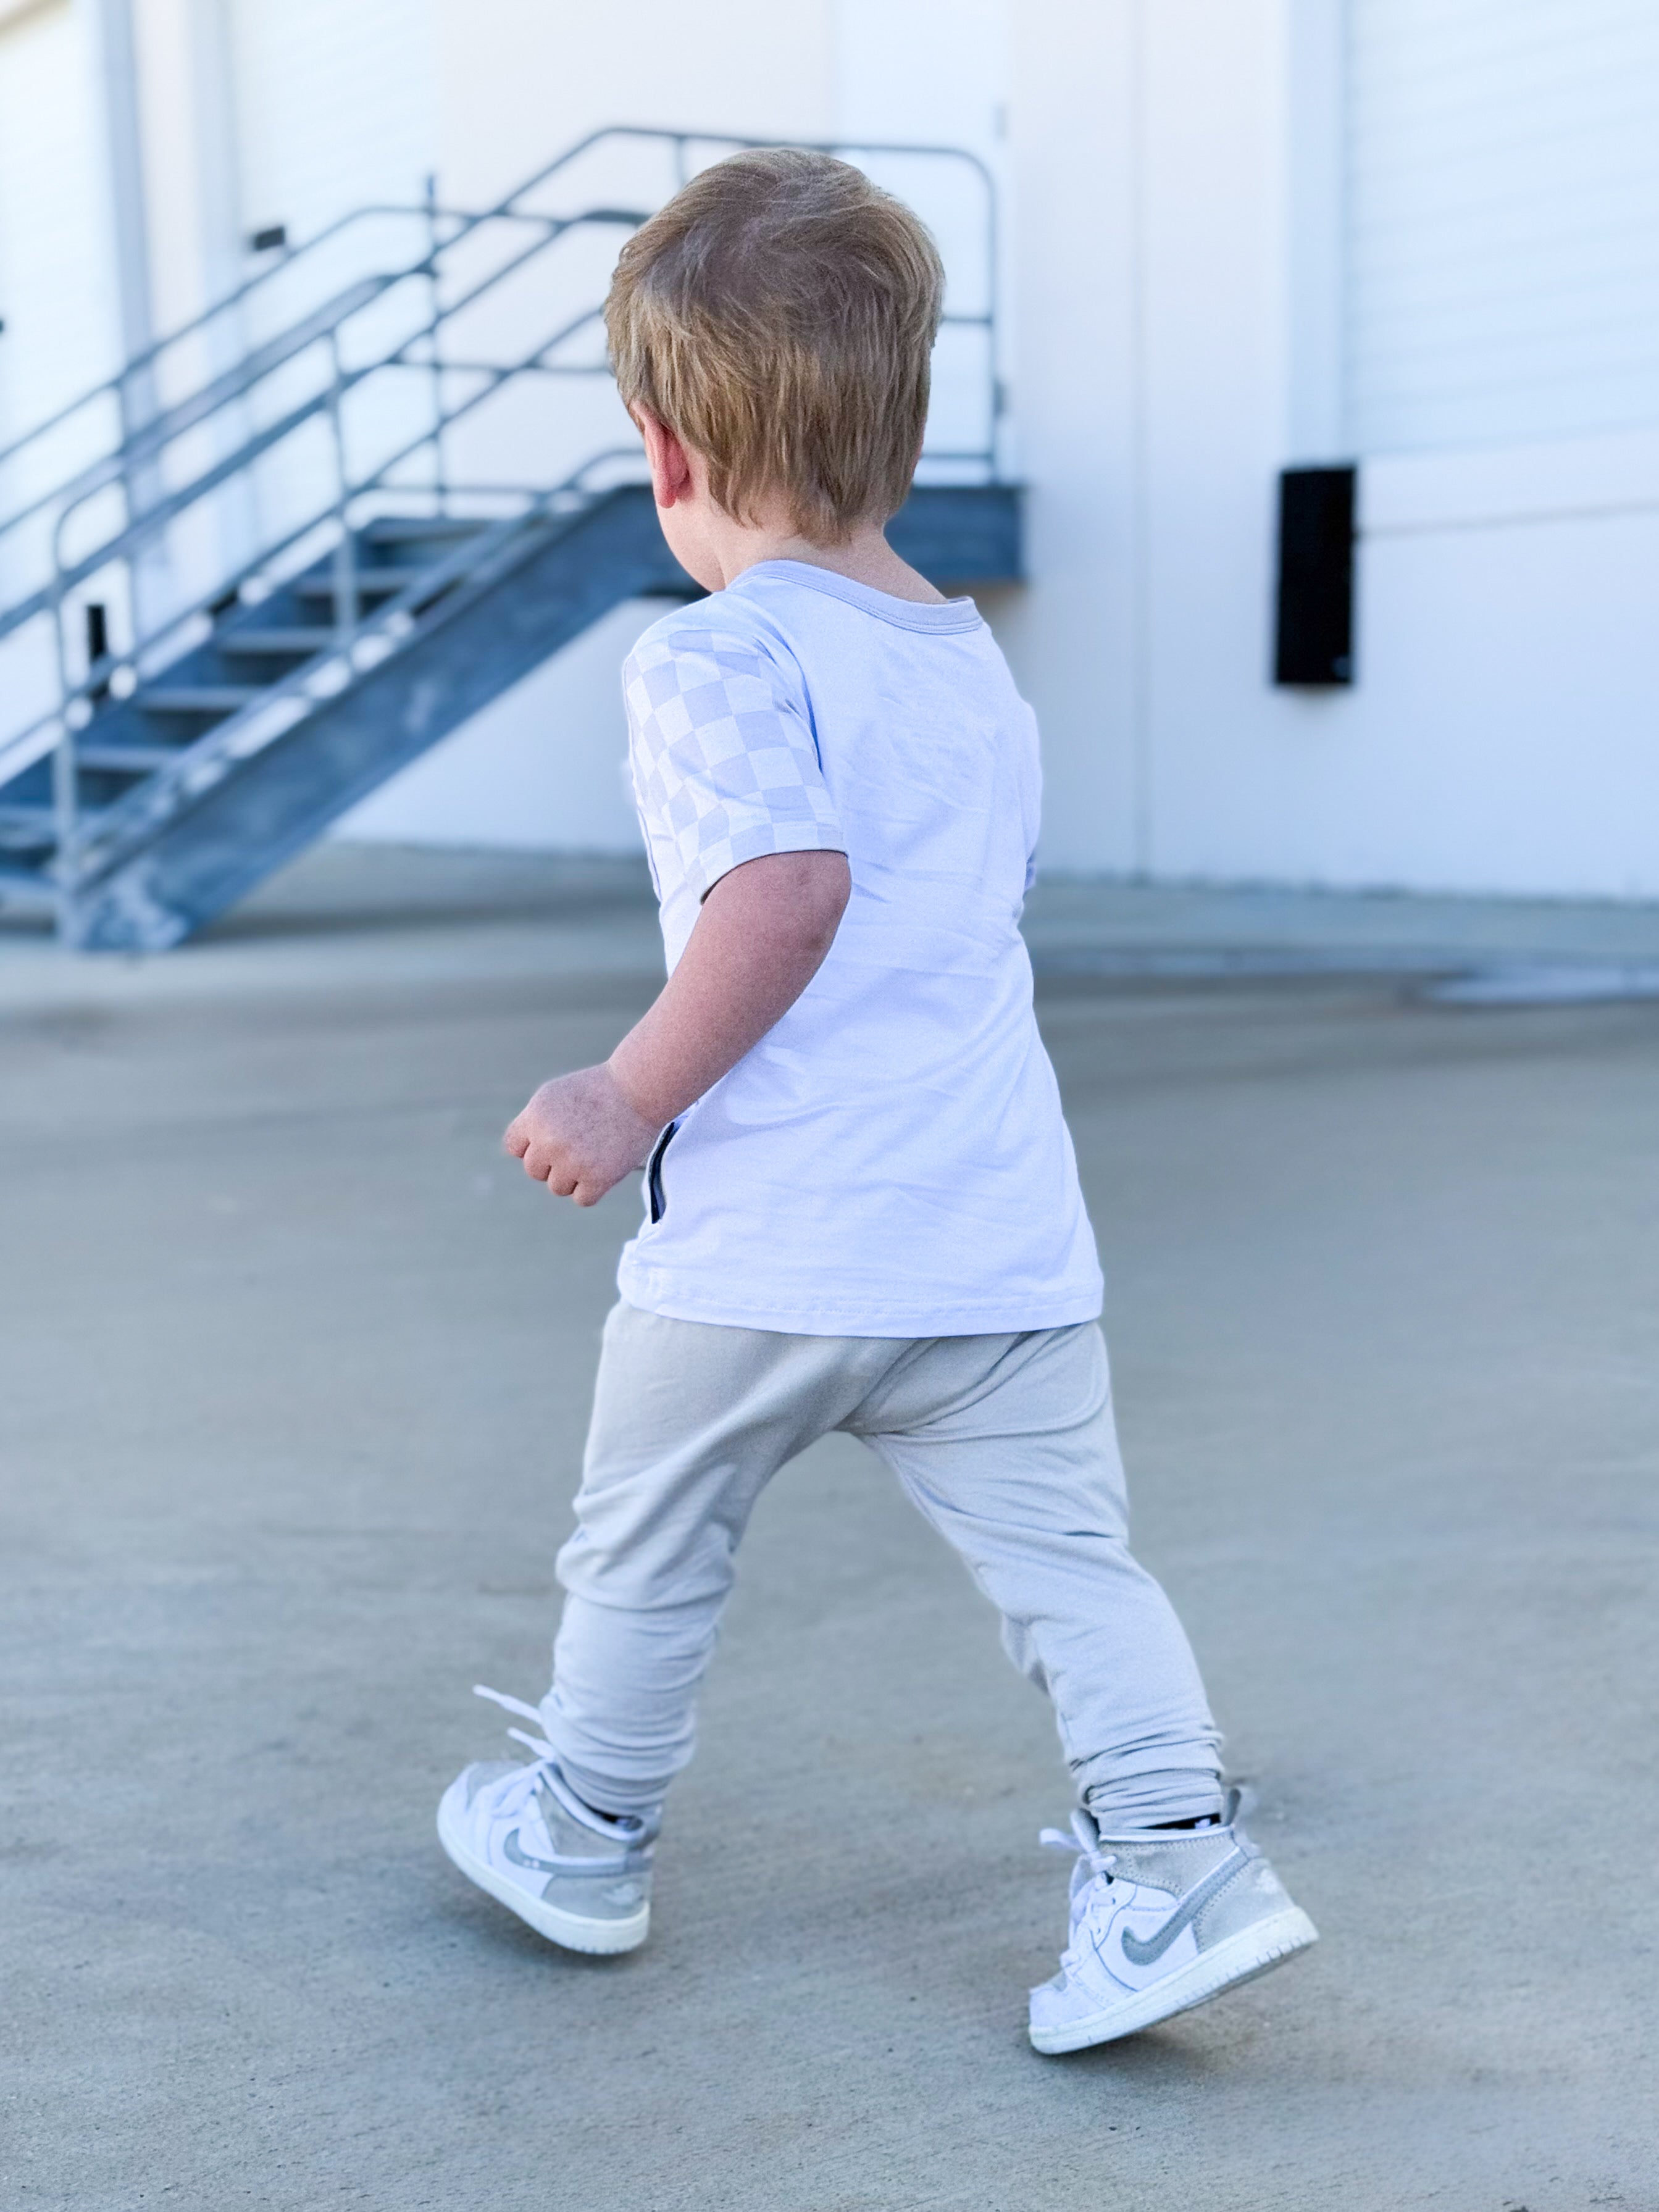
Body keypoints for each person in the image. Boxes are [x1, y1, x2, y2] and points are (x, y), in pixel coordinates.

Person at [437, 148, 1316, 2052]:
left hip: (769, 1245)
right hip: (994, 1241)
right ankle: (1175, 1867)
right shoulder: (966, 662)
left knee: (651, 1548)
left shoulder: (715, 653)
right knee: (1078, 1572)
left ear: (667, 455)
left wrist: (624, 1087)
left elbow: (784, 891)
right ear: (902, 434)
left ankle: (585, 1837)